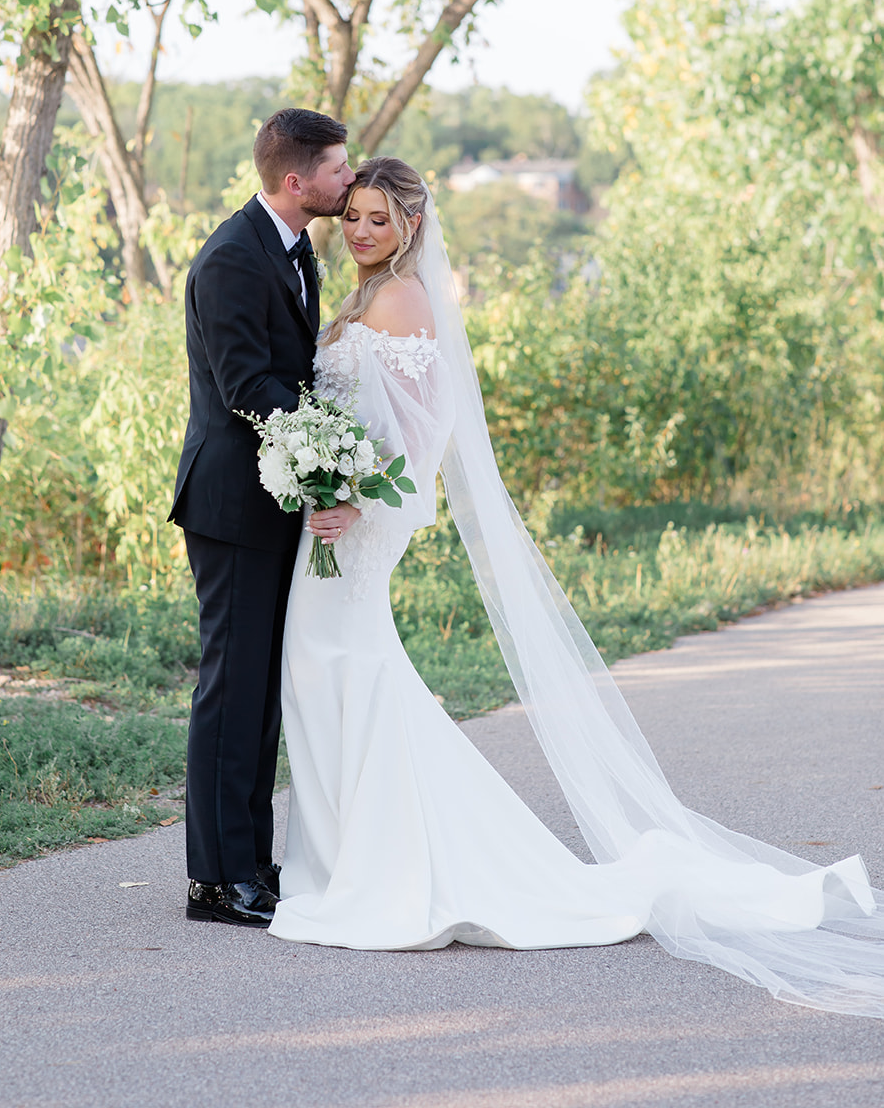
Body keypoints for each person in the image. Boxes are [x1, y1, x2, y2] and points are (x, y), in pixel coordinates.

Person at [268, 156, 884, 1019]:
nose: (361, 231)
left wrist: (350, 495)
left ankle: (377, 862)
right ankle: (348, 855)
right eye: (354, 218)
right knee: (330, 666)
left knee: (340, 662)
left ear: (410, 225)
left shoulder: (402, 298)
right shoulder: (364, 295)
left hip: (366, 516)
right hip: (340, 510)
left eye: (378, 219)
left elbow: (421, 429)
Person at [170, 107, 355, 926]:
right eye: (338, 170)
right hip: (232, 504)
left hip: (272, 494)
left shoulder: (290, 248)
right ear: (296, 179)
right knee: (231, 688)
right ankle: (214, 881)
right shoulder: (230, 259)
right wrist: (334, 452)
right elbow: (247, 387)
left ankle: (250, 860)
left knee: (259, 690)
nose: (347, 181)